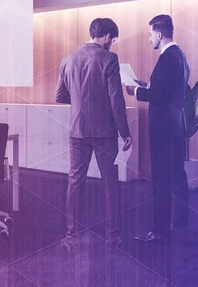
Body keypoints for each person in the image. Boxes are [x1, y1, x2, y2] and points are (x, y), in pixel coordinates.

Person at [56, 17, 133, 251]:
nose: (112, 43)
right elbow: (115, 100)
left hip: (77, 131)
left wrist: (80, 102)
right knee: (110, 184)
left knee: (75, 182)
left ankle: (71, 237)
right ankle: (113, 237)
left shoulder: (67, 59)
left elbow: (60, 96)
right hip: (104, 132)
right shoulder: (109, 58)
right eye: (113, 39)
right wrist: (125, 132)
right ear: (107, 37)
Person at [126, 14, 190, 242]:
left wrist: (136, 92)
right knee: (177, 175)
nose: (149, 38)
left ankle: (159, 230)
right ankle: (181, 222)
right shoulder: (180, 56)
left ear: (159, 34)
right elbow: (169, 90)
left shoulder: (166, 58)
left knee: (161, 179)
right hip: (176, 127)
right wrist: (149, 85)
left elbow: (160, 96)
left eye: (150, 34)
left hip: (163, 129)